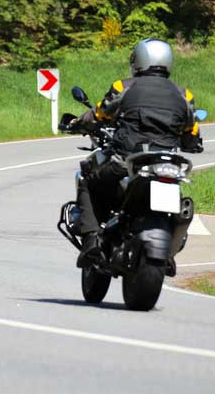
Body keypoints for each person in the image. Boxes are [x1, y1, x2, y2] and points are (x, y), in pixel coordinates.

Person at [73, 38, 203, 267]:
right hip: (169, 165)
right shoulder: (184, 95)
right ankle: (169, 252)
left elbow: (99, 115)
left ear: (140, 60)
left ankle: (92, 240)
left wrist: (79, 123)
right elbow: (191, 132)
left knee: (87, 179)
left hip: (127, 161)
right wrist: (191, 143)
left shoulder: (125, 87)